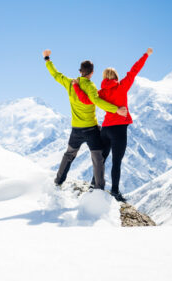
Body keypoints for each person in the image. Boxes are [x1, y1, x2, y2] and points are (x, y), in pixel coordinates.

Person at [72, 48, 153, 202]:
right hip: (119, 130)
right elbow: (134, 70)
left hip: (106, 129)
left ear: (103, 78)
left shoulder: (100, 93)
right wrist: (146, 55)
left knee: (101, 159)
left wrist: (76, 86)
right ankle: (115, 192)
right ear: (116, 76)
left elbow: (86, 99)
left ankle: (93, 185)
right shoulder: (122, 86)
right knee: (116, 162)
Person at [42, 49, 128, 190]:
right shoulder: (91, 86)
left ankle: (58, 181)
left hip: (76, 129)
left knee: (69, 154)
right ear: (92, 72)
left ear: (80, 71)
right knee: (97, 158)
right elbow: (96, 101)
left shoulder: (70, 83)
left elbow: (56, 75)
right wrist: (116, 109)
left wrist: (47, 59)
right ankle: (99, 188)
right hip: (91, 130)